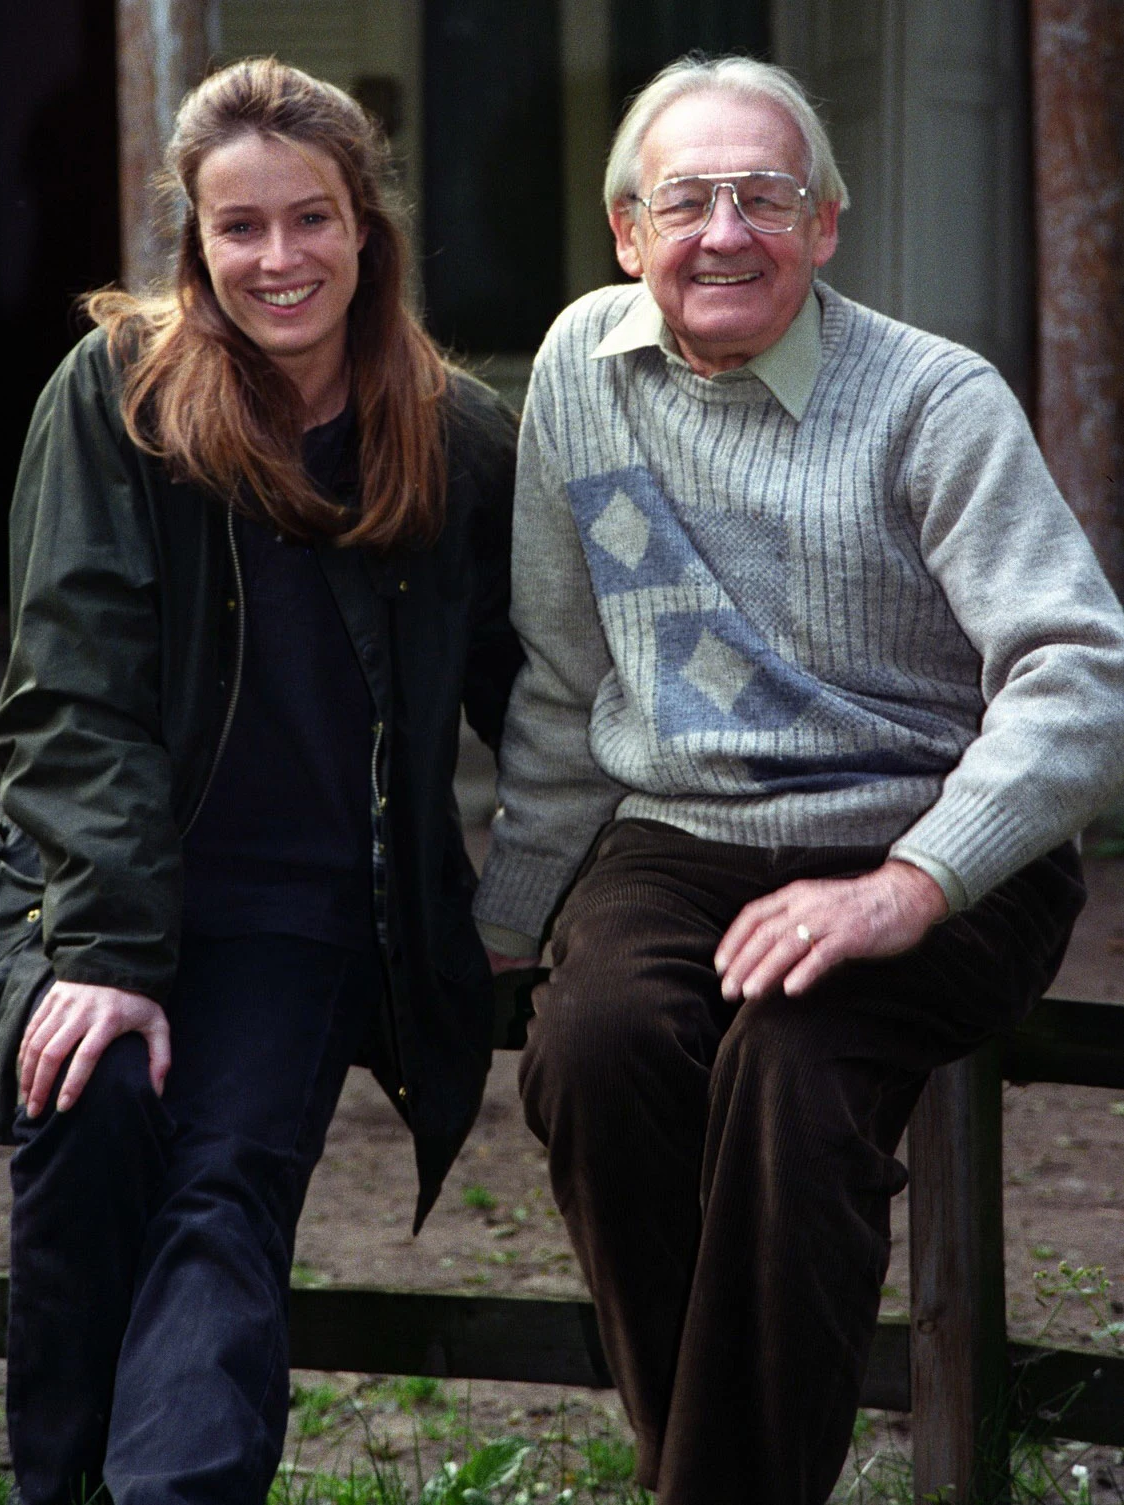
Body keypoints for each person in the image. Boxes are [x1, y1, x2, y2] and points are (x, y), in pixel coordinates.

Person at [473, 53, 1124, 1504]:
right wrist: (514, 908)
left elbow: (1080, 672)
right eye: (685, 200)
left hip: (933, 831)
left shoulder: (933, 402)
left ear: (825, 226)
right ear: (627, 233)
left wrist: (911, 886)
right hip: (686, 826)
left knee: (793, 1074)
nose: (726, 232)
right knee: (595, 1047)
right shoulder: (582, 375)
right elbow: (572, 679)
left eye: (765, 196)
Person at [0, 57, 520, 1505]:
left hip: (305, 918)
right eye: (238, 228)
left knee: (222, 1195)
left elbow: (543, 692)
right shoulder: (116, 394)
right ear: (196, 239)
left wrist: (554, 885)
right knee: (91, 1109)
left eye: (309, 220)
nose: (278, 259)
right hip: (98, 887)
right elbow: (69, 688)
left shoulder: (456, 437)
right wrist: (112, 954)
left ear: (365, 227)